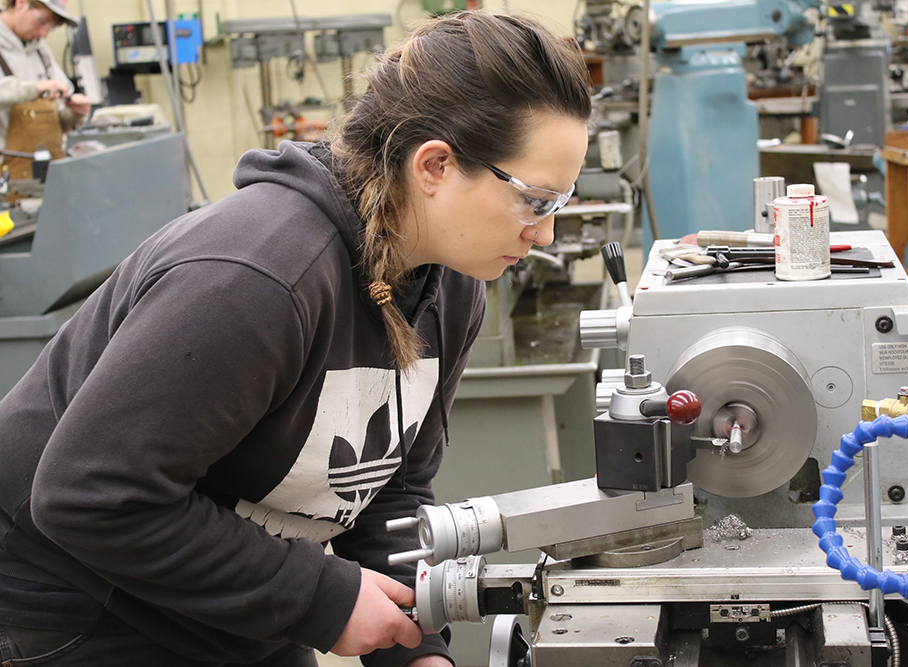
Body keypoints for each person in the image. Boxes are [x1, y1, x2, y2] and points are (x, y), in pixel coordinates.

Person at [0, 10, 591, 667]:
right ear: (434, 166)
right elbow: (90, 496)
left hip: (226, 598)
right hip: (78, 604)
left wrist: (416, 648)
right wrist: (322, 597)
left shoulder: (450, 288)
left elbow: (387, 490)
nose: (546, 236)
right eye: (536, 201)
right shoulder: (256, 279)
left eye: (560, 205)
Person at [0, 0, 90, 149]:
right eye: (42, 21)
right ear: (21, 3)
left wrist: (75, 113)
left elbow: (57, 122)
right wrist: (34, 89)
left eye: (52, 27)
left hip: (43, 165)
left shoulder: (41, 53)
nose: (44, 34)